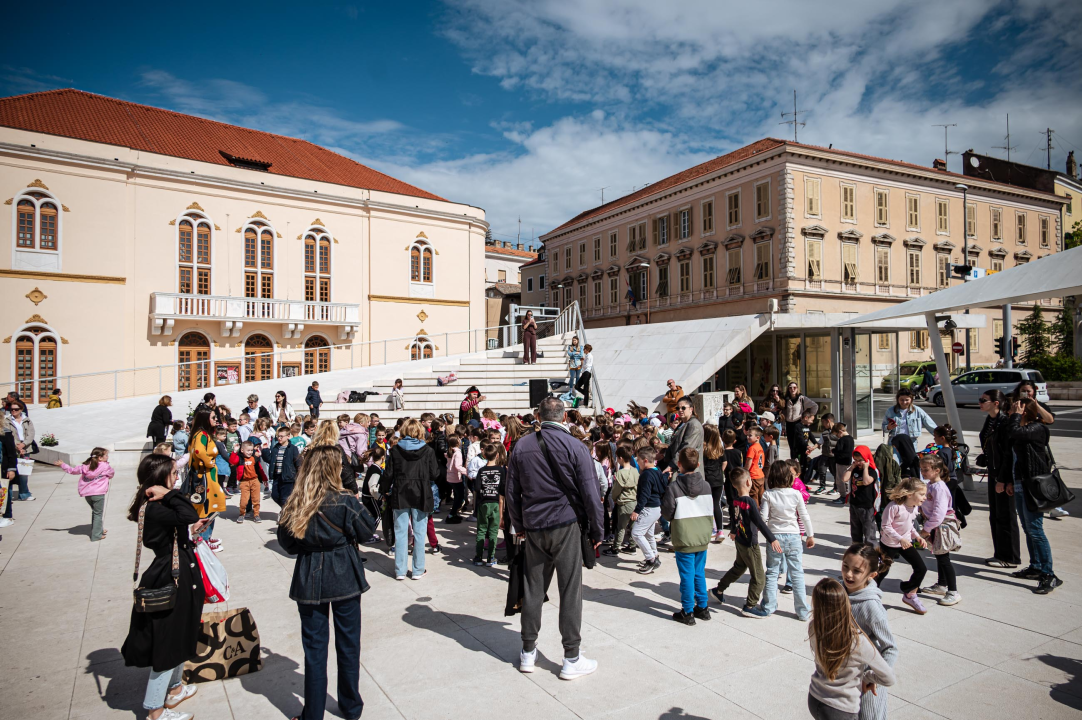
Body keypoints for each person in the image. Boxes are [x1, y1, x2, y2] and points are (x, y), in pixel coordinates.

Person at [506, 396, 604, 680]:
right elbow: (590, 493)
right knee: (570, 589)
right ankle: (571, 656)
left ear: (539, 415)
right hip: (565, 523)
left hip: (534, 524)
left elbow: (512, 491)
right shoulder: (575, 445)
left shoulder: (522, 445)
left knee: (533, 587)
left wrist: (518, 524)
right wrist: (597, 531)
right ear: (563, 417)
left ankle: (527, 651)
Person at [278, 445, 373, 720]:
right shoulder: (344, 500)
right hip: (343, 573)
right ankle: (351, 706)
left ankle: (314, 713)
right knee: (348, 643)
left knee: (315, 649)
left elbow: (287, 544)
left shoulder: (297, 501)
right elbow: (367, 533)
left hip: (310, 574)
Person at [122, 454, 208, 720]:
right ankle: (155, 710)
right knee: (167, 642)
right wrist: (169, 495)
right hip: (170, 575)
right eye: (173, 473)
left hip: (179, 568)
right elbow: (187, 512)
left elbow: (184, 520)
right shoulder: (156, 505)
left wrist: (190, 530)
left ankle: (174, 688)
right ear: (160, 478)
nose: (177, 477)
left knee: (181, 632)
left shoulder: (160, 505)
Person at [807, 578, 896, 720]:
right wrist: (867, 677)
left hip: (815, 698)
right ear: (846, 604)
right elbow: (889, 678)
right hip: (841, 708)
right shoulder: (858, 642)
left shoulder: (814, 627)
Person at [1009, 397, 1063, 594]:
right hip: (1021, 483)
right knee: (1028, 528)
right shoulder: (1024, 428)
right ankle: (1036, 566)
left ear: (1025, 411)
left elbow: (1015, 431)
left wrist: (1016, 415)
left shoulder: (1036, 429)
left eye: (1016, 408)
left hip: (1034, 486)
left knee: (1035, 529)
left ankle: (1049, 574)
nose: (1011, 411)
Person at [748, 461, 814, 620]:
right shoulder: (796, 494)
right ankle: (803, 611)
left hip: (774, 538)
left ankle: (768, 606)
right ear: (789, 478)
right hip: (793, 537)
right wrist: (810, 535)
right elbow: (804, 515)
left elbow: (762, 518)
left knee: (772, 572)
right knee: (797, 572)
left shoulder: (768, 495)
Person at [841, 543, 898, 720]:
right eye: (845, 567)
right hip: (843, 678)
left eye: (856, 571)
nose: (848, 574)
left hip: (866, 683)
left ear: (871, 575)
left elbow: (891, 648)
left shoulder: (871, 605)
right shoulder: (839, 592)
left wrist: (873, 677)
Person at [380, 418, 439, 580]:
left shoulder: (395, 450)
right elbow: (435, 473)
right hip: (421, 492)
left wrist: (383, 490)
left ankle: (400, 570)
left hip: (400, 492)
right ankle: (418, 569)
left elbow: (388, 474)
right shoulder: (427, 450)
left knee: (401, 533)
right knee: (419, 533)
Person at [661, 447, 713, 625]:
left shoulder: (674, 487)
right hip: (702, 535)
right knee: (699, 572)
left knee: (687, 574)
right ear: (698, 464)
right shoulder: (706, 486)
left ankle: (688, 610)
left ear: (679, 464)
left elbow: (667, 513)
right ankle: (703, 607)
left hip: (684, 536)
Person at [712, 467, 773, 616]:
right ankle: (750, 606)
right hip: (750, 544)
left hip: (740, 540)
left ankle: (718, 590)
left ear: (733, 485)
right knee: (759, 577)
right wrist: (772, 539)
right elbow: (760, 522)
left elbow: (735, 518)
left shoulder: (736, 501)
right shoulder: (750, 501)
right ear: (748, 482)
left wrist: (733, 531)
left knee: (739, 568)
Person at [978, 389, 1021, 568]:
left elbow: (1007, 454)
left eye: (983, 400)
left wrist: (1004, 479)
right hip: (994, 471)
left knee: (1006, 514)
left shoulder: (1004, 422)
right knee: (996, 514)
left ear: (996, 403)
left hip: (1003, 474)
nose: (980, 402)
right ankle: (1000, 553)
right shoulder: (991, 420)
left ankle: (1010, 557)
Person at [875, 476, 929, 614]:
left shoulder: (914, 507)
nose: (924, 497)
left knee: (921, 568)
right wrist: (900, 539)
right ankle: (871, 596)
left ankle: (909, 593)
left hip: (905, 543)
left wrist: (917, 536)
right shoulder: (894, 507)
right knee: (882, 571)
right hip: (889, 544)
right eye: (922, 494)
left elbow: (909, 525)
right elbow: (885, 526)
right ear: (910, 494)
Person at [917, 454, 960, 605]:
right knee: (939, 555)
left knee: (944, 559)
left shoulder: (940, 488)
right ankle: (942, 584)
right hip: (935, 526)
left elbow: (939, 513)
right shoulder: (930, 485)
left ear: (936, 470)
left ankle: (953, 592)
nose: (922, 472)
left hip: (941, 526)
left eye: (926, 469)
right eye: (921, 469)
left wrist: (926, 529)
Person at [186, 410, 226, 548]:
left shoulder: (202, 434)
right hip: (205, 477)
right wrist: (209, 462)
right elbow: (199, 451)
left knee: (211, 508)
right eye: (213, 417)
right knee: (207, 509)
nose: (216, 419)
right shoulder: (201, 435)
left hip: (208, 476)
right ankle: (202, 541)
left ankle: (206, 537)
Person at [60, 447, 114, 541]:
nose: (107, 456)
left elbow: (73, 471)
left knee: (95, 512)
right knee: (98, 513)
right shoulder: (105, 466)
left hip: (87, 494)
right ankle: (96, 535)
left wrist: (63, 465)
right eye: (106, 455)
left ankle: (98, 530)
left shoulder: (85, 466)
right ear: (100, 458)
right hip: (98, 493)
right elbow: (111, 474)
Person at [882, 388, 937, 477]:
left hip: (911, 442)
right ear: (897, 399)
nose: (904, 402)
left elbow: (930, 424)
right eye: (901, 400)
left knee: (912, 464)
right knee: (894, 464)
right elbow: (884, 427)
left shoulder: (917, 411)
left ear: (911, 399)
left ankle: (914, 484)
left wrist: (939, 436)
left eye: (906, 400)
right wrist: (888, 427)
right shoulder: (891, 411)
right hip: (895, 442)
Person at [630, 446, 666, 574]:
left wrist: (637, 511)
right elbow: (663, 488)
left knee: (637, 533)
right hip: (656, 508)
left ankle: (650, 560)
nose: (637, 462)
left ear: (645, 460)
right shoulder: (657, 471)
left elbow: (644, 495)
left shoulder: (646, 475)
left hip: (648, 508)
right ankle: (655, 555)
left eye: (638, 460)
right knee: (648, 534)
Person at [473, 444, 505, 566]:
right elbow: (503, 488)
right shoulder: (501, 470)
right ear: (497, 455)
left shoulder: (481, 471)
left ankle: (478, 556)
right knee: (493, 531)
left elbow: (476, 488)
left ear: (484, 455)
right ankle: (491, 557)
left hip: (483, 503)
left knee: (481, 530)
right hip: (496, 503)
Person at [604, 446, 639, 556]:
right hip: (634, 501)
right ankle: (632, 545)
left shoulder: (620, 474)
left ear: (620, 458)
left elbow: (616, 490)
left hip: (624, 503)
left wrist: (614, 499)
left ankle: (615, 547)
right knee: (633, 526)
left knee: (621, 527)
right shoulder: (635, 471)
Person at [843, 446, 879, 544]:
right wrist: (852, 466)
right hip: (854, 504)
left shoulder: (872, 471)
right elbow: (845, 478)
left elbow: (867, 481)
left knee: (869, 532)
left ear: (867, 459)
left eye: (861, 460)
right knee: (855, 531)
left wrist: (866, 467)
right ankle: (857, 549)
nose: (858, 462)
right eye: (856, 460)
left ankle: (871, 552)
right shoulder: (854, 469)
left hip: (866, 506)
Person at [265, 426, 303, 508]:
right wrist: (265, 451)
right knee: (275, 495)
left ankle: (285, 513)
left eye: (281, 436)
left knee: (284, 498)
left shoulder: (293, 448)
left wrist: (299, 474)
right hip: (277, 476)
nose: (279, 438)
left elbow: (298, 462)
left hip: (288, 477)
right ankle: (287, 510)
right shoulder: (276, 448)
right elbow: (270, 460)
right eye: (278, 436)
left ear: (288, 436)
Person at [702, 424, 727, 544]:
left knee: (706, 506)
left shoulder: (703, 448)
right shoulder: (720, 448)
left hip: (706, 480)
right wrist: (720, 472)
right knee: (716, 504)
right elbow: (725, 463)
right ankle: (720, 531)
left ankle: (708, 530)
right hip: (718, 479)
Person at [780, 382, 818, 461]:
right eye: (790, 388)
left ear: (797, 389)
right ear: (788, 389)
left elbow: (815, 406)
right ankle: (793, 462)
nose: (792, 389)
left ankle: (802, 461)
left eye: (794, 387)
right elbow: (784, 413)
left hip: (799, 423)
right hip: (789, 424)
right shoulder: (786, 399)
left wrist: (810, 417)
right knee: (792, 445)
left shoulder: (802, 399)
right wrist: (783, 426)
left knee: (801, 443)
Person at [231, 440, 267, 523]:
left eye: (251, 450)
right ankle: (242, 514)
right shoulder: (240, 458)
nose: (250, 452)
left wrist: (264, 479)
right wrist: (234, 451)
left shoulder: (254, 458)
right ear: (242, 450)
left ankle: (256, 514)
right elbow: (232, 461)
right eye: (248, 450)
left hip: (255, 480)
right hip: (244, 482)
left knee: (256, 500)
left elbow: (260, 469)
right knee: (244, 500)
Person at [7, 403, 35, 500]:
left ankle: (24, 494)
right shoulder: (7, 420)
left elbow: (31, 434)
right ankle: (8, 496)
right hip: (12, 449)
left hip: (26, 449)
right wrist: (17, 446)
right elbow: (8, 436)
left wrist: (23, 444)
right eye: (12, 409)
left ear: (21, 409)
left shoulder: (27, 420)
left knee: (24, 473)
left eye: (16, 409)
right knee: (10, 472)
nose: (13, 411)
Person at [0, 415, 19, 528]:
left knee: (5, 492)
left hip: (3, 468)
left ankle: (7, 515)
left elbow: (11, 453)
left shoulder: (5, 433)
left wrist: (11, 469)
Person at [831, 422, 854, 505]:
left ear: (840, 431)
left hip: (841, 462)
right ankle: (848, 496)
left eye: (836, 434)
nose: (837, 436)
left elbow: (839, 451)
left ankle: (843, 496)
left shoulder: (842, 440)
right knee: (847, 480)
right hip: (848, 462)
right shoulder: (851, 438)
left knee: (840, 480)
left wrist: (833, 451)